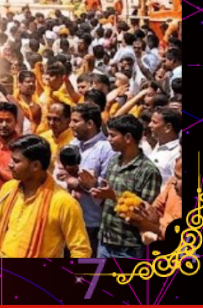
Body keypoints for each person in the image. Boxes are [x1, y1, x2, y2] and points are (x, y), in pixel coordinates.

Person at [0, 134, 91, 258]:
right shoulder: (9, 189)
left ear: (35, 166)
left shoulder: (64, 202)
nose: (10, 164)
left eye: (16, 161)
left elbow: (80, 250)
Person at [91, 114, 163, 259]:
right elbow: (106, 198)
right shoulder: (113, 162)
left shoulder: (148, 171)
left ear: (128, 138)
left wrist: (113, 196)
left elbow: (145, 213)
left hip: (128, 247)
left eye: (113, 135)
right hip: (105, 241)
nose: (109, 139)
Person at [63, 102, 114, 256]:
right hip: (69, 219)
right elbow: (60, 175)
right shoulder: (72, 145)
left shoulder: (106, 149)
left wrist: (80, 185)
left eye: (76, 121)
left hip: (92, 223)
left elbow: (106, 189)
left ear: (90, 123)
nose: (71, 125)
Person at [129, 157, 183, 245]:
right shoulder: (172, 184)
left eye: (179, 177)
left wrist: (154, 228)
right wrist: (145, 216)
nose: (174, 181)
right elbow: (157, 209)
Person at [146, 107, 181, 183]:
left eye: (154, 122)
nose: (149, 125)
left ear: (168, 127)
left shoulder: (177, 153)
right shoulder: (158, 144)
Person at [42, 102, 75, 169]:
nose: (51, 123)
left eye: (56, 119)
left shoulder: (75, 140)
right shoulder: (43, 138)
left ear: (68, 120)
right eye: (49, 118)